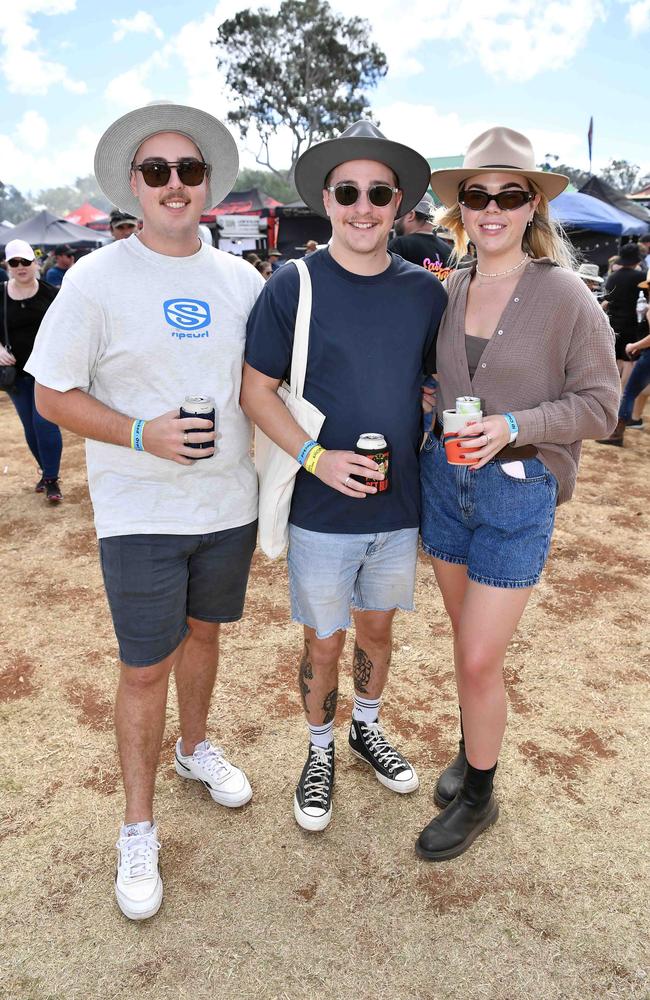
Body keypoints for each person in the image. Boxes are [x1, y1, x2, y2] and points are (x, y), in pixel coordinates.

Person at [26, 101, 264, 921]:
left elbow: (264, 386)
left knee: (206, 635)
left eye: (188, 171)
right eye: (157, 171)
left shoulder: (242, 279)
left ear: (208, 187)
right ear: (134, 184)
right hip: (141, 511)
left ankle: (195, 750)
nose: (173, 184)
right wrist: (140, 432)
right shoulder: (94, 278)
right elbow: (49, 392)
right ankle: (137, 826)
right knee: (142, 666)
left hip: (228, 502)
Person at [416, 126, 619, 862]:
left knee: (476, 657)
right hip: (445, 484)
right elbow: (441, 384)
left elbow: (602, 403)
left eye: (509, 194)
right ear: (460, 207)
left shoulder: (564, 292)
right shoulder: (453, 286)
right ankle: (474, 749)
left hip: (517, 492)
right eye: (478, 194)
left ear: (532, 205)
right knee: (469, 650)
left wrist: (515, 424)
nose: (491, 208)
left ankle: (480, 793)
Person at [241, 120, 447, 833]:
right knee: (323, 640)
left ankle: (366, 727)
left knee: (379, 632)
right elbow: (255, 391)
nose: (364, 206)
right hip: (319, 513)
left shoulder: (426, 294)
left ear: (399, 205)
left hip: (398, 507)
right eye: (349, 191)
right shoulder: (292, 285)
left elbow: (431, 381)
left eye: (379, 192)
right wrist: (316, 458)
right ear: (327, 200)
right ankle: (319, 749)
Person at [0, 239, 63, 501]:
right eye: (14, 262)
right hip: (17, 375)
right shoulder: (1, 293)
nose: (21, 267)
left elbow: (70, 326)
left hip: (47, 372)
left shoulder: (51, 293)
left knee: (45, 422)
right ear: (7, 265)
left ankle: (51, 479)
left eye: (25, 261)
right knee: (30, 426)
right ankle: (46, 472)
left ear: (35, 263)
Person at [602, 242, 646, 378]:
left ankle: (614, 391)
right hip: (632, 324)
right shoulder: (641, 277)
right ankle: (622, 394)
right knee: (628, 361)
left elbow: (607, 299)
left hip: (614, 323)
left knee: (615, 359)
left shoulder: (613, 277)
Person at [389, 192, 452, 281]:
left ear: (411, 215)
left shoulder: (400, 245)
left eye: (398, 214)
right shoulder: (449, 251)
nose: (395, 220)